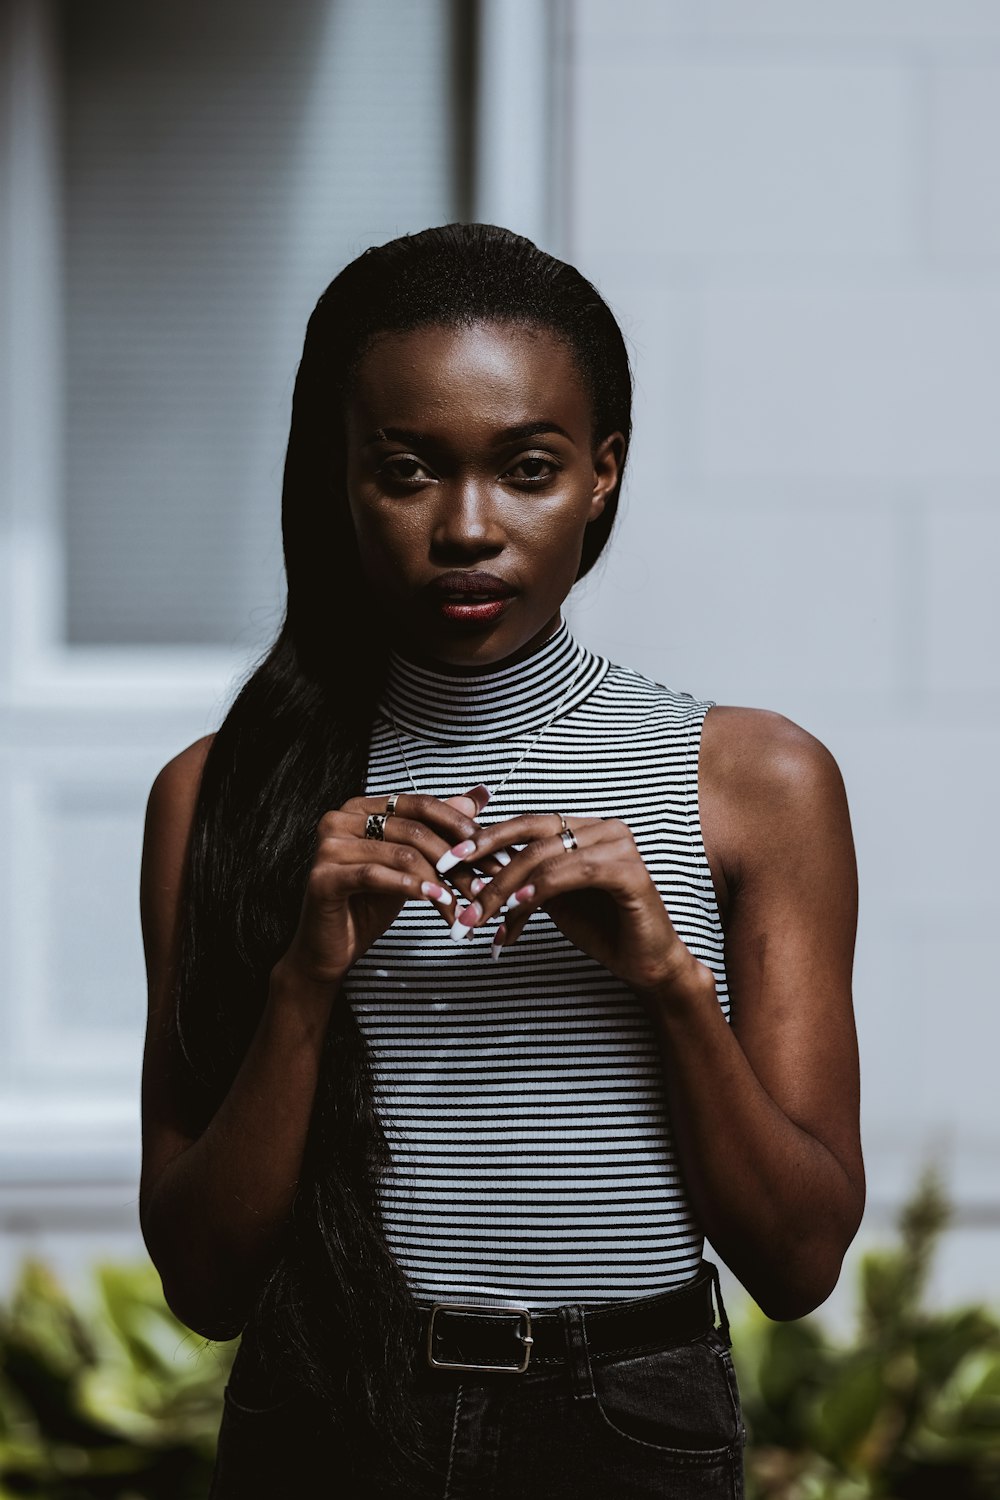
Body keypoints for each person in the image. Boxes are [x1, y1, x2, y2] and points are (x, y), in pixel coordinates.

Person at [138, 223, 864, 1498]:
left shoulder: (755, 784)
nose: (467, 527)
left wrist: (666, 977)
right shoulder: (223, 795)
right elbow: (203, 1283)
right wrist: (304, 980)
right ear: (338, 480)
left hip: (626, 1423)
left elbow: (799, 1261)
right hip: (326, 1411)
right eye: (407, 470)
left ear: (601, 474)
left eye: (526, 468)